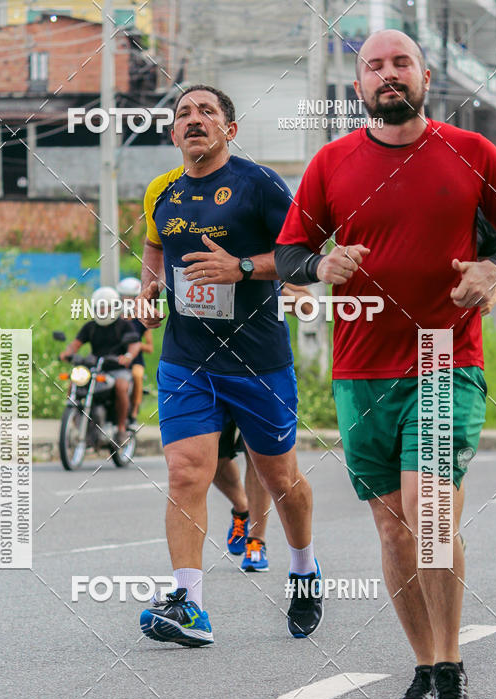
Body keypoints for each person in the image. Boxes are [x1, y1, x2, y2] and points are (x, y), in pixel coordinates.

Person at [275, 30, 496, 699]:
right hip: (361, 370)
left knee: (430, 511)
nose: (389, 75)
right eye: (375, 66)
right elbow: (290, 252)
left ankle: (451, 674)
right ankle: (425, 667)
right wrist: (319, 267)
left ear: (422, 76)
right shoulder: (330, 164)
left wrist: (494, 271)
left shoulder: (472, 154)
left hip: (446, 358)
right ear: (358, 86)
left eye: (401, 63)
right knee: (392, 531)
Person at [135, 84, 321, 647]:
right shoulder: (159, 192)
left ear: (229, 130)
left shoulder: (258, 184)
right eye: (184, 114)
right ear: (173, 133)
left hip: (257, 361)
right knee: (186, 471)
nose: (195, 120)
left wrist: (241, 266)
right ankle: (189, 605)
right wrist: (149, 290)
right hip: (186, 360)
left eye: (207, 112)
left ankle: (304, 569)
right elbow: (154, 248)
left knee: (279, 477)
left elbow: (301, 258)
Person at [60, 287, 143, 446]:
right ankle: (76, 420)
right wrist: (67, 353)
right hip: (96, 368)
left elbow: (135, 344)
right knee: (75, 381)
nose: (103, 310)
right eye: (99, 307)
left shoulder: (124, 325)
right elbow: (75, 344)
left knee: (121, 386)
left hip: (118, 368)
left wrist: (128, 356)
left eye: (106, 306)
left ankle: (120, 429)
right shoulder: (90, 327)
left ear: (115, 307)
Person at [216, 420, 271, 572]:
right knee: (210, 456)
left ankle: (256, 540)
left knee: (258, 455)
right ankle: (242, 508)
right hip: (215, 395)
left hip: (260, 396)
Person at [118, 276, 153, 426]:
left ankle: (134, 411)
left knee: (137, 375)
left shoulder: (141, 321)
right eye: (123, 297)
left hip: (135, 361)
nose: (126, 300)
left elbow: (150, 347)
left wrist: (137, 345)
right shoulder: (114, 318)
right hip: (117, 358)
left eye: (130, 298)